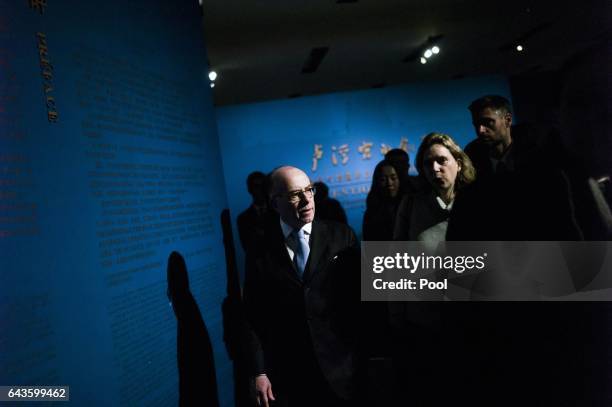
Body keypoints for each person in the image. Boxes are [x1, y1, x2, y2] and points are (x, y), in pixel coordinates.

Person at [243, 166, 358, 407]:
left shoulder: (341, 235)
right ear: (275, 204)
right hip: (290, 375)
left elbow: (359, 299)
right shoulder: (259, 250)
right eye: (295, 194)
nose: (307, 199)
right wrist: (259, 371)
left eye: (309, 190)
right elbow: (254, 314)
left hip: (342, 369)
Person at [447, 94, 582, 240]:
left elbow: (565, 223)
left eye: (488, 122)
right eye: (476, 124)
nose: (481, 130)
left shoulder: (543, 162)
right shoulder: (471, 169)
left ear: (508, 120)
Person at [394, 132, 475, 245]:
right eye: (428, 163)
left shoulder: (477, 202)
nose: (435, 168)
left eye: (442, 160)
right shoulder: (410, 204)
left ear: (459, 165)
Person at [362, 160, 404, 241]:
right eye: (383, 179)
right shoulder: (371, 214)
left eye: (393, 178)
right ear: (376, 182)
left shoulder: (410, 206)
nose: (389, 183)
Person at [237, 171, 272, 254]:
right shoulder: (243, 219)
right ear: (250, 189)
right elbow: (249, 249)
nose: (260, 190)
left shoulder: (278, 213)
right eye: (256, 186)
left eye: (263, 186)